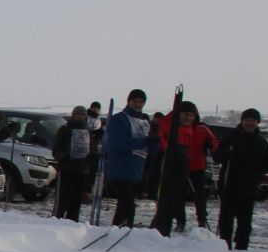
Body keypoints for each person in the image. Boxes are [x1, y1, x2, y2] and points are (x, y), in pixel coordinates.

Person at [215, 108, 268, 250]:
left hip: (249, 188)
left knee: (245, 222)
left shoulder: (261, 142)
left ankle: (242, 247)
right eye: (247, 120)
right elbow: (217, 156)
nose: (250, 123)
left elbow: (265, 166)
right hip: (229, 187)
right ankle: (224, 247)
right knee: (226, 220)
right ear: (242, 121)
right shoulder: (230, 138)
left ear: (257, 123)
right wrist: (226, 154)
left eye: (253, 121)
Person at [153, 100, 218, 235]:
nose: (188, 118)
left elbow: (215, 142)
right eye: (186, 114)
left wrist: (212, 146)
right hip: (179, 165)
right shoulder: (175, 126)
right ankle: (180, 221)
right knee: (178, 196)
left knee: (199, 195)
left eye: (191, 115)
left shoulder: (201, 128)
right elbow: (162, 137)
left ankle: (201, 220)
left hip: (197, 166)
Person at [102, 88, 153, 227]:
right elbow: (118, 143)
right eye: (135, 101)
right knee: (127, 205)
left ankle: (120, 229)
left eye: (141, 102)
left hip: (136, 169)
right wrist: (144, 142)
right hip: (120, 168)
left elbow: (151, 148)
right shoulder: (119, 119)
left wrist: (155, 140)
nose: (138, 104)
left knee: (126, 205)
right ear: (129, 101)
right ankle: (121, 229)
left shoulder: (144, 121)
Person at [50, 105, 91, 222]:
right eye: (78, 114)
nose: (80, 117)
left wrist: (91, 157)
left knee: (76, 201)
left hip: (82, 170)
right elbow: (56, 149)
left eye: (82, 115)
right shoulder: (65, 129)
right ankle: (55, 221)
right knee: (62, 200)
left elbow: (92, 150)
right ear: (73, 115)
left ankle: (72, 223)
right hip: (67, 169)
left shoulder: (88, 132)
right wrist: (64, 158)